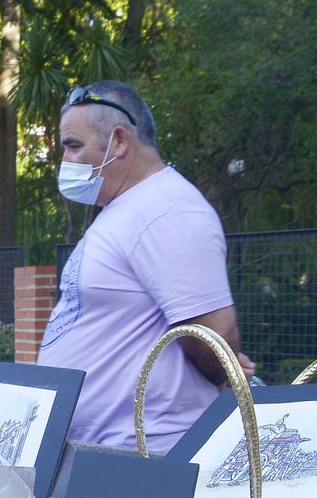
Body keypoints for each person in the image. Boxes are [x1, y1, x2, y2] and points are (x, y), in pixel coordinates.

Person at [37, 81, 254, 455]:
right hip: (103, 453)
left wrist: (224, 365)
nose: (65, 161)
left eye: (73, 146)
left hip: (142, 454)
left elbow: (214, 345)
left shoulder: (166, 210)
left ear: (118, 142)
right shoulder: (127, 208)